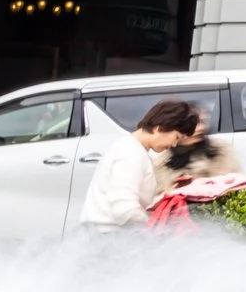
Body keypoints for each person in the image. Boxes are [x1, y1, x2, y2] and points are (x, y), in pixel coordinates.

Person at [79, 99, 203, 231]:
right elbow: (124, 209)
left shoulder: (134, 149)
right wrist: (155, 228)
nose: (174, 145)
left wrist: (168, 194)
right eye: (177, 137)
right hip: (108, 236)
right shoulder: (131, 154)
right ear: (159, 127)